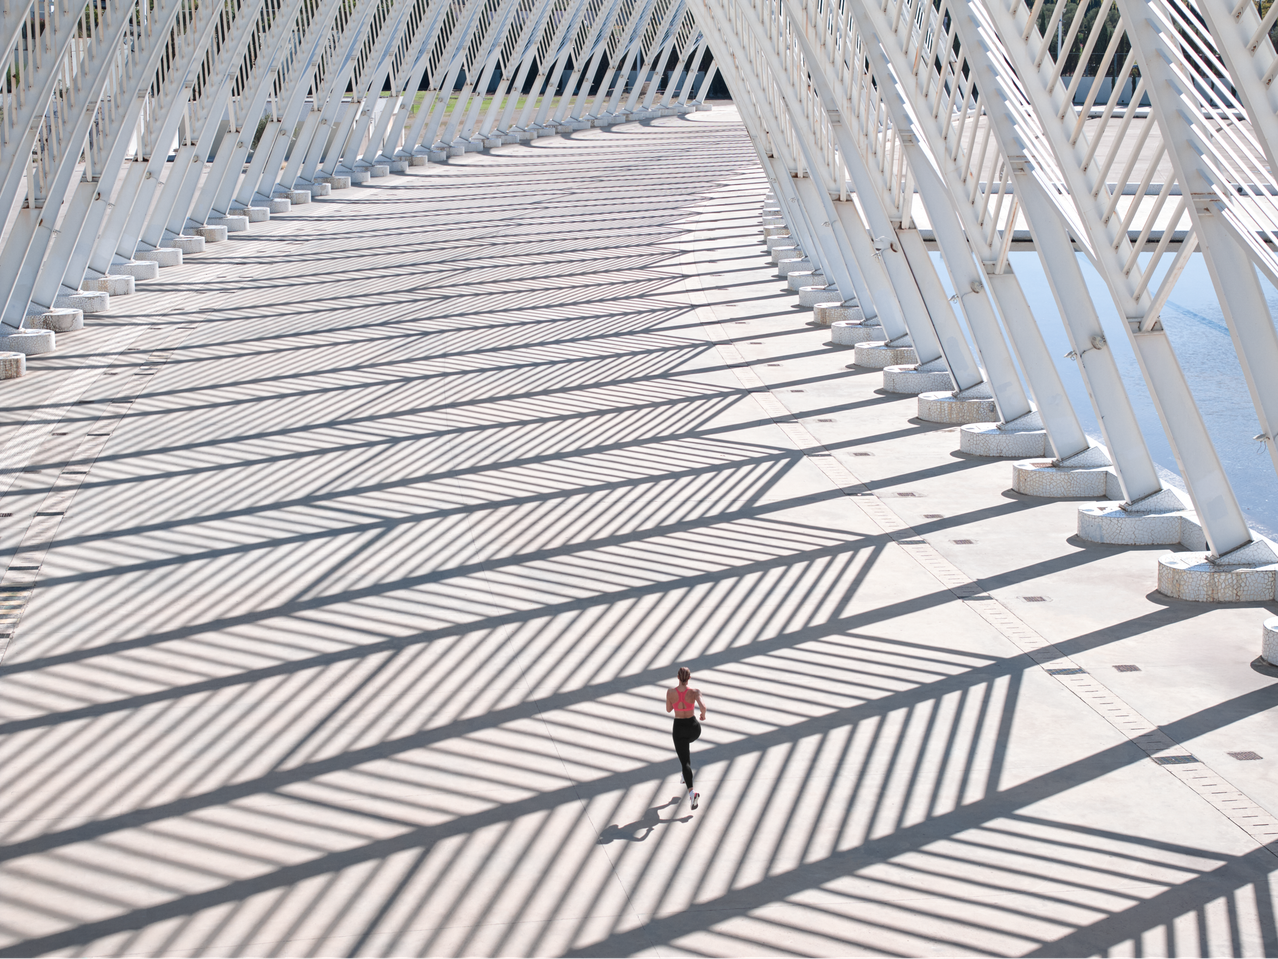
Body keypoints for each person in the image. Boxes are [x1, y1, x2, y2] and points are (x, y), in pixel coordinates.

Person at [665, 666, 707, 808]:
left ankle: (692, 793)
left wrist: (675, 702)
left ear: (678, 677)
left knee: (685, 762)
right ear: (689, 677)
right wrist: (703, 715)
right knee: (686, 747)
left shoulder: (670, 692)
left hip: (679, 728)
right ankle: (685, 774)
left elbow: (668, 709)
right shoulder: (695, 692)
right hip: (694, 728)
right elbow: (703, 707)